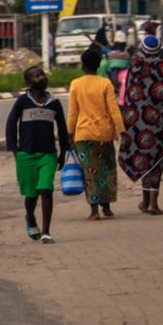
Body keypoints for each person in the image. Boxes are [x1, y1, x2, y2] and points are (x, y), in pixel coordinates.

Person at [119, 35, 163, 215]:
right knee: (157, 161)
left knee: (144, 158)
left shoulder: (136, 67)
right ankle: (151, 204)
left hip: (138, 122)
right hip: (161, 121)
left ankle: (146, 201)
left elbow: (129, 96)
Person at [5, 64, 70, 242]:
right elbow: (11, 125)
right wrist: (14, 150)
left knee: (46, 189)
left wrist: (64, 152)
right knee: (31, 194)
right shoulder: (22, 101)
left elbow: (62, 129)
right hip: (26, 154)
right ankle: (31, 218)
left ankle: (46, 232)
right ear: (28, 82)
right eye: (36, 76)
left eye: (42, 74)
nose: (41, 77)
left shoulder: (54, 103)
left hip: (47, 154)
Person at [68, 46, 124, 221]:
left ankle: (94, 211)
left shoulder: (76, 84)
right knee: (106, 170)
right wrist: (122, 130)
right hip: (105, 133)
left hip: (84, 135)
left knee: (90, 172)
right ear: (99, 64)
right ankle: (106, 207)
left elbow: (72, 113)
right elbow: (114, 109)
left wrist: (69, 133)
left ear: (83, 65)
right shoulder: (105, 83)